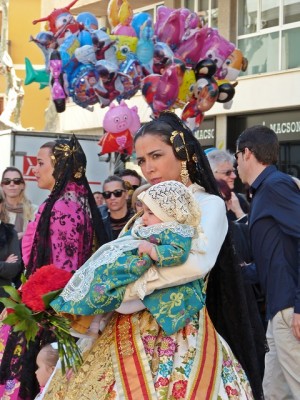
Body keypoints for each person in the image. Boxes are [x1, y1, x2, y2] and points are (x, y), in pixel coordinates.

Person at [44, 112, 263, 400]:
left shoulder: (207, 204)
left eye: (156, 155)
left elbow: (197, 262)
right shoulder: (144, 211)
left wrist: (133, 289)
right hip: (120, 328)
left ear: (183, 154)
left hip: (179, 328)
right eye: (142, 160)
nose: (148, 168)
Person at [0, 135, 108, 399]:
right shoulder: (65, 201)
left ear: (59, 166)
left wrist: (32, 305)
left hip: (52, 313)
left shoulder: (64, 206)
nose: (33, 170)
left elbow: (61, 271)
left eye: (40, 163)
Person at [51, 180, 206, 337]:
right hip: (130, 267)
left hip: (144, 276)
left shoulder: (177, 230)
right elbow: (122, 242)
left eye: (150, 213)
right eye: (144, 212)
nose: (144, 218)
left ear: (170, 212)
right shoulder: (143, 226)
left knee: (108, 286)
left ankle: (91, 319)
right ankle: (84, 318)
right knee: (99, 277)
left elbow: (179, 252)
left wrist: (154, 250)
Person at [235, 125, 300, 399]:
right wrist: (234, 272)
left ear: (247, 153)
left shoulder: (276, 186)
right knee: (273, 393)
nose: (235, 164)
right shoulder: (264, 192)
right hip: (278, 313)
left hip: (290, 310)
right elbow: (269, 262)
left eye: (236, 156)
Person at [207, 149, 249, 221]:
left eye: (233, 171)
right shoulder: (202, 201)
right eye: (227, 173)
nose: (234, 176)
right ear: (211, 174)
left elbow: (250, 231)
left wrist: (239, 213)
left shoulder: (239, 201)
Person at [0, 187, 22, 312]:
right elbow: (7, 267)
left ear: (1, 205)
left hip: (2, 301)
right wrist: (4, 264)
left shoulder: (10, 233)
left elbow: (14, 269)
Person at [1, 167, 37, 240]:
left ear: (22, 185)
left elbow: (41, 236)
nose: (11, 184)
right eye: (7, 181)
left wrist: (26, 235)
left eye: (16, 181)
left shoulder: (35, 210)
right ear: (2, 185)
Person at [99, 175, 135, 241]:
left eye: (117, 192)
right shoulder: (99, 226)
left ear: (126, 194)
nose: (112, 198)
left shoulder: (138, 221)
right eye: (107, 194)